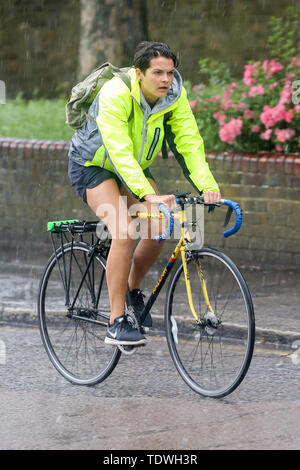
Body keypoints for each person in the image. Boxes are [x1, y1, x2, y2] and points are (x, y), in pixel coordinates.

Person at [68, 41, 221, 347]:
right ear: (139, 73)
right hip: (93, 165)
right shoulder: (116, 93)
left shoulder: (174, 95)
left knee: (159, 225)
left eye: (170, 72)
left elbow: (189, 140)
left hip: (132, 169)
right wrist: (146, 194)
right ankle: (116, 322)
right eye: (157, 73)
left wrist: (208, 185)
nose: (165, 79)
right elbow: (119, 150)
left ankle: (130, 289)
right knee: (123, 230)